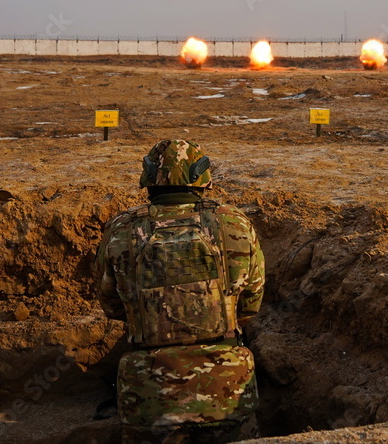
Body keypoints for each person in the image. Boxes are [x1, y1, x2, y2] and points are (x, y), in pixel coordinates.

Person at [96, 139, 265, 443]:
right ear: (203, 178)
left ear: (148, 178)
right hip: (227, 394)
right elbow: (251, 305)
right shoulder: (234, 222)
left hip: (149, 399)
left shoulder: (121, 228)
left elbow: (111, 304)